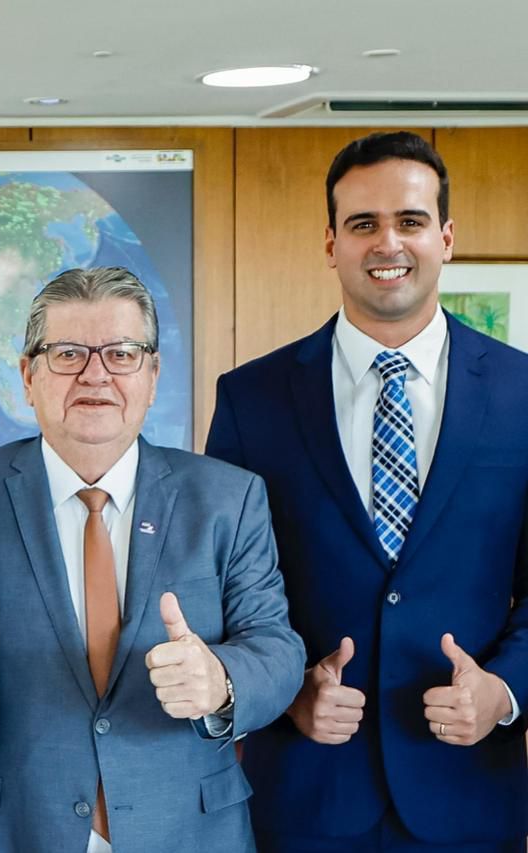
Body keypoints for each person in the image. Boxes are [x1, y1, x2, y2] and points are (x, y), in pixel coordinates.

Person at [207, 131, 528, 851]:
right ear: (331, 244)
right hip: (303, 797)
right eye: (363, 223)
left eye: (410, 220)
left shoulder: (523, 394)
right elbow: (219, 589)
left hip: (470, 797)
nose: (388, 242)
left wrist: (503, 692)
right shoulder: (251, 399)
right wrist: (285, 691)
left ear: (446, 238)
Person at [0, 266, 303, 853]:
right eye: (68, 354)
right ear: (28, 376)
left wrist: (220, 680)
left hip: (189, 833)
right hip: (13, 832)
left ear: (152, 376)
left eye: (122, 354)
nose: (95, 374)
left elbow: (276, 646)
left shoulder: (227, 499)